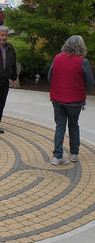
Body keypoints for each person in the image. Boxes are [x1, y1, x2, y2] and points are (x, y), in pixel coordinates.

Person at [47, 35, 94, 165]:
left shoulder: (57, 58)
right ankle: (74, 153)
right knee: (73, 125)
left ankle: (57, 156)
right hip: (75, 100)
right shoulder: (82, 62)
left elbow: (50, 77)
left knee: (60, 126)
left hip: (57, 98)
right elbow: (90, 82)